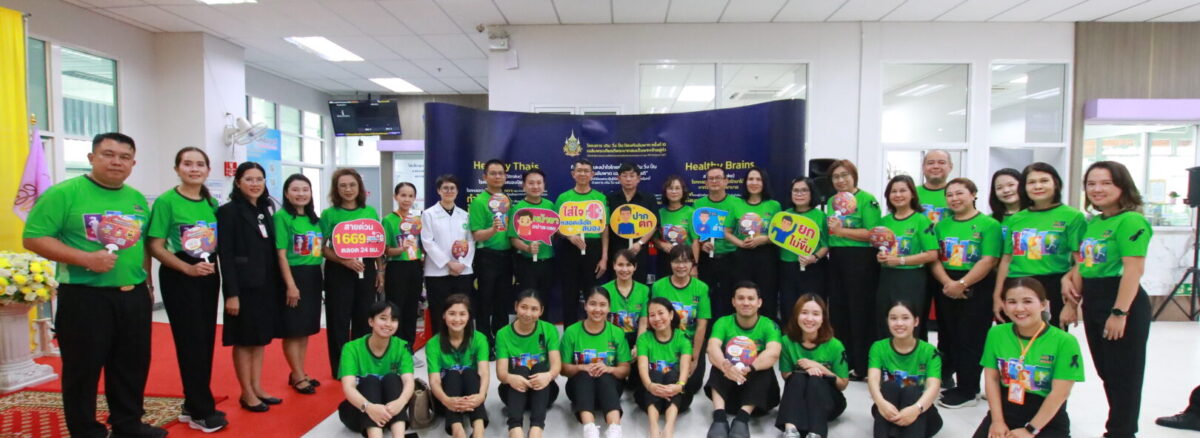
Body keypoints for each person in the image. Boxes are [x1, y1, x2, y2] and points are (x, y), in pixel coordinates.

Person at [24, 133, 166, 438]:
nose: (117, 162)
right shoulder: (64, 193)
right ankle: (86, 431)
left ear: (133, 163)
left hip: (132, 297)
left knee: (131, 365)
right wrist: (85, 259)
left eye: (124, 157)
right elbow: (34, 238)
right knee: (83, 370)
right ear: (91, 158)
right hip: (85, 297)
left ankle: (128, 424)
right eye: (108, 154)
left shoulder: (136, 199)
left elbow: (141, 246)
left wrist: (147, 284)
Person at [1064, 161, 1152, 438]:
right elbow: (1085, 264)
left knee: (1124, 375)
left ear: (1123, 186)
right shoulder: (1095, 222)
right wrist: (1071, 299)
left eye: (1105, 183)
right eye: (1091, 184)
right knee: (1107, 372)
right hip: (1094, 298)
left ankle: (1121, 432)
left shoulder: (1131, 220)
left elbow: (1133, 270)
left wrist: (1119, 313)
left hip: (1121, 299)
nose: (1097, 189)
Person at [146, 147, 227, 432]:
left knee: (205, 341)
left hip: (208, 274)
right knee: (190, 342)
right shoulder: (166, 202)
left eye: (200, 164)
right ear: (177, 168)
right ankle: (201, 410)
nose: (194, 169)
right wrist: (186, 269)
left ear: (208, 169)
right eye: (188, 164)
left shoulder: (210, 203)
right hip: (180, 276)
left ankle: (193, 403)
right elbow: (155, 245)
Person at [972, 278, 1084, 438]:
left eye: (1027, 301)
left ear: (1043, 304)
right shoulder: (996, 333)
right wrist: (997, 421)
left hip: (1046, 417)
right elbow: (992, 379)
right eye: (1012, 302)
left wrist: (1030, 430)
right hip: (1006, 410)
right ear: (1004, 305)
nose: (1019, 308)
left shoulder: (1064, 341)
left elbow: (1060, 393)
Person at [217, 161, 283, 412]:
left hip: (265, 285)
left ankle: (257, 387)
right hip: (243, 288)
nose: (255, 184)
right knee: (244, 340)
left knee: (259, 338)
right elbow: (226, 255)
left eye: (259, 179)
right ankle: (246, 392)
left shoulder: (264, 209)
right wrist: (231, 294)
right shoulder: (229, 211)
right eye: (249, 179)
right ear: (238, 182)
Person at [930, 178, 1002, 409]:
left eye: (959, 193)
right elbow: (934, 258)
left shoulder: (989, 225)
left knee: (971, 339)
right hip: (946, 283)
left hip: (976, 284)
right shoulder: (941, 226)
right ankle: (952, 382)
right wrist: (948, 283)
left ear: (973, 194)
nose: (954, 198)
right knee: (948, 336)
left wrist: (962, 283)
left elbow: (989, 260)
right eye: (950, 195)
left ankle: (969, 390)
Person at [994, 162, 1085, 329]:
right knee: (1014, 338)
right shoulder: (1016, 219)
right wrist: (997, 296)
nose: (1038, 186)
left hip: (1053, 285)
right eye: (1031, 182)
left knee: (1050, 339)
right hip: (1015, 284)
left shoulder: (1073, 216)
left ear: (1056, 183)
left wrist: (1072, 304)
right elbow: (1006, 260)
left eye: (1044, 181)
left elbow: (1081, 261)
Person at [322, 168, 384, 378]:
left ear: (359, 188)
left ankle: (361, 363)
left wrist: (380, 271)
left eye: (352, 185)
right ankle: (341, 367)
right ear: (336, 189)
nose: (348, 189)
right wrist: (344, 261)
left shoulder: (370, 212)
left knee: (364, 317)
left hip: (366, 269)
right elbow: (322, 248)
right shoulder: (329, 214)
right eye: (343, 185)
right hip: (339, 271)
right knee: (338, 319)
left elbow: (377, 244)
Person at [824, 159, 882, 379]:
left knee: (860, 312)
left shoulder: (867, 200)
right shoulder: (832, 201)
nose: (840, 180)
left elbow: (873, 234)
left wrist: (842, 232)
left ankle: (863, 365)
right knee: (838, 311)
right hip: (836, 258)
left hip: (861, 260)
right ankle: (842, 362)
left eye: (844, 175)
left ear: (854, 176)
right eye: (835, 177)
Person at [704, 281, 782, 438]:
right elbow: (712, 348)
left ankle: (742, 420)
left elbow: (774, 352)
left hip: (759, 399)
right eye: (740, 298)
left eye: (750, 298)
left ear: (759, 302)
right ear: (733, 301)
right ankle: (719, 418)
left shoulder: (769, 325)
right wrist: (726, 367)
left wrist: (750, 367)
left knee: (763, 364)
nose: (745, 303)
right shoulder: (723, 322)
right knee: (720, 360)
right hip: (729, 396)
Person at [274, 174, 324, 395]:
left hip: (313, 275)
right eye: (295, 190)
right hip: (294, 275)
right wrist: (290, 285)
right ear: (286, 193)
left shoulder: (314, 219)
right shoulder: (282, 217)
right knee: (293, 329)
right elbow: (281, 255)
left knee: (305, 329)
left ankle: (299, 372)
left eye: (305, 189)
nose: (301, 194)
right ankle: (297, 374)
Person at [337, 300, 416, 438]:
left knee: (392, 378)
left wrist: (401, 402)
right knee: (370, 381)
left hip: (392, 411)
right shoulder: (351, 348)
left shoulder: (402, 347)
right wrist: (369, 408)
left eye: (393, 320)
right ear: (371, 321)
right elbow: (348, 387)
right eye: (383, 318)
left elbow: (408, 381)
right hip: (361, 410)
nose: (388, 324)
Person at [562, 287, 632, 438]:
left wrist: (609, 369)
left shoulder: (617, 332)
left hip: (610, 390)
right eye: (593, 304)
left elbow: (625, 369)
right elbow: (563, 369)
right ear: (585, 305)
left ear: (609, 307)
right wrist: (582, 367)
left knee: (605, 375)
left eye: (602, 305)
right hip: (579, 390)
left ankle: (615, 428)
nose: (597, 309)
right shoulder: (571, 332)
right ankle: (589, 429)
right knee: (584, 374)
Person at [777, 294, 849, 438]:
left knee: (816, 380)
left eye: (816, 314)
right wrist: (806, 370)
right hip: (800, 400)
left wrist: (819, 368)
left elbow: (842, 384)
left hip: (829, 402)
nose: (809, 319)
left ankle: (816, 433)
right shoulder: (786, 341)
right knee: (797, 377)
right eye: (804, 312)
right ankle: (790, 430)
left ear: (823, 318)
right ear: (796, 315)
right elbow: (786, 376)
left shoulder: (835, 345)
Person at [875, 175, 938, 340]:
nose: (898, 195)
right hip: (887, 278)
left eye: (903, 190)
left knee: (910, 322)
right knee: (886, 321)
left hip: (912, 279)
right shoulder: (883, 221)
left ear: (912, 194)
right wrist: (881, 256)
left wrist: (900, 260)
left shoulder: (922, 220)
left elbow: (932, 254)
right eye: (893, 191)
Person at [868, 301, 943, 438]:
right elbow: (873, 379)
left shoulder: (929, 351)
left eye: (905, 318)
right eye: (893, 318)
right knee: (890, 386)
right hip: (889, 407)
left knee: (911, 390)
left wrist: (916, 409)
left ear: (916, 321)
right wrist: (881, 403)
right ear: (887, 321)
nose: (899, 323)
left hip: (921, 409)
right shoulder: (878, 347)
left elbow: (934, 386)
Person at [649, 245, 710, 405]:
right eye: (676, 261)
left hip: (690, 342)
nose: (681, 266)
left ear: (692, 264)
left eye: (686, 261)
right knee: (661, 379)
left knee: (692, 385)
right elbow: (653, 319)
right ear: (670, 263)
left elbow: (702, 325)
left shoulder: (701, 288)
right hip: (665, 341)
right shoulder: (659, 286)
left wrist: (694, 358)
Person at [496, 290, 562, 438]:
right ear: (516, 306)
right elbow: (501, 374)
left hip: (544, 392)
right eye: (524, 307)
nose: (528, 313)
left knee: (539, 367)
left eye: (534, 309)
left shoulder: (549, 329)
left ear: (541, 311)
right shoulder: (503, 334)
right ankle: (515, 428)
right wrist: (510, 378)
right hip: (513, 393)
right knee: (520, 369)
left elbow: (556, 365)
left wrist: (548, 376)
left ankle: (536, 428)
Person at [426, 294, 489, 438]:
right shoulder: (433, 344)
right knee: (452, 374)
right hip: (445, 399)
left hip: (473, 397)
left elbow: (484, 373)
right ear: (444, 315)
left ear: (469, 316)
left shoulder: (479, 339)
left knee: (469, 373)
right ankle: (457, 430)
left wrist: (481, 395)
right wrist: (446, 400)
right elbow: (434, 381)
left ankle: (479, 430)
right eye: (452, 314)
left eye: (462, 314)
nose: (457, 319)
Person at [557, 159, 610, 326]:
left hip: (593, 249)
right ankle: (569, 335)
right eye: (579, 170)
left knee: (592, 295)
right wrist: (569, 236)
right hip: (569, 249)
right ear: (573, 174)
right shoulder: (563, 198)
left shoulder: (600, 198)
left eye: (586, 171)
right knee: (569, 295)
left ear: (592, 174)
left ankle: (593, 331)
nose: (583, 174)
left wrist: (604, 257)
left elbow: (605, 229)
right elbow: (555, 226)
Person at [422, 174, 475, 334]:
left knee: (463, 310)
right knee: (439, 312)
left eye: (452, 188)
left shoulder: (465, 215)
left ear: (457, 191)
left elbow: (471, 241)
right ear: (439, 191)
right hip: (437, 272)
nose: (449, 191)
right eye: (445, 188)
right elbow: (427, 242)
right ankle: (440, 345)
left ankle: (464, 344)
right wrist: (448, 263)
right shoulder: (428, 214)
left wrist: (462, 264)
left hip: (462, 271)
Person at [469, 159, 514, 342]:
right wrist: (493, 230)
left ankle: (501, 341)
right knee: (484, 302)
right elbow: (476, 235)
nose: (497, 177)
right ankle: (484, 342)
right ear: (485, 177)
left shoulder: (506, 200)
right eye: (493, 173)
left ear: (505, 177)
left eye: (501, 173)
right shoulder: (479, 202)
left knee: (502, 303)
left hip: (507, 257)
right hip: (486, 257)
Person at [728, 167, 782, 320]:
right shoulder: (736, 204)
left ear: (764, 183)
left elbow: (780, 234)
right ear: (745, 182)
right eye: (750, 179)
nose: (754, 182)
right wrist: (740, 243)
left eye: (758, 179)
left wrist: (763, 239)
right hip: (742, 256)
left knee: (767, 295)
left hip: (766, 256)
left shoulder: (774, 205)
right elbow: (726, 232)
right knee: (743, 294)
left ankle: (768, 330)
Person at [636, 297, 692, 438]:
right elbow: (642, 367)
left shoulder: (683, 338)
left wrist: (679, 386)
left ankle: (669, 427)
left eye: (661, 313)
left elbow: (685, 367)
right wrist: (650, 386)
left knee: (673, 374)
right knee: (654, 373)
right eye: (652, 315)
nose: (657, 318)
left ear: (671, 314)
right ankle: (653, 427)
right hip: (649, 393)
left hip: (676, 394)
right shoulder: (644, 339)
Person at [695, 165, 746, 319]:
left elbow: (744, 230)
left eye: (718, 178)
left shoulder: (737, 203)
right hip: (707, 259)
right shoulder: (698, 205)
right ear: (706, 183)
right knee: (706, 297)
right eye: (711, 178)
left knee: (730, 297)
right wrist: (703, 244)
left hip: (732, 258)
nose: (714, 181)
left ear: (726, 181)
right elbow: (695, 234)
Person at [778, 178, 830, 323]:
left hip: (813, 269)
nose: (799, 194)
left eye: (804, 190)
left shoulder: (820, 216)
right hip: (787, 268)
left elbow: (827, 245)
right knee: (788, 308)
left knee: (812, 308)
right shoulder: (784, 215)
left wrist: (814, 257)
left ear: (811, 193)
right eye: (795, 190)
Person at [383, 182, 424, 344]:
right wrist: (401, 249)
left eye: (410, 196)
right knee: (395, 307)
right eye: (403, 195)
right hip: (396, 267)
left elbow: (423, 245)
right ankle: (395, 345)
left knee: (412, 307)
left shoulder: (417, 220)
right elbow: (385, 250)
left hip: (415, 266)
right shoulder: (388, 220)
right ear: (396, 197)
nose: (407, 199)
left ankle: (409, 345)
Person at [607, 162, 657, 283]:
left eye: (632, 175)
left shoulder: (648, 198)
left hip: (639, 251)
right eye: (624, 175)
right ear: (618, 178)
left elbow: (654, 224)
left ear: (638, 178)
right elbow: (606, 225)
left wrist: (640, 243)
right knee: (616, 284)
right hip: (616, 249)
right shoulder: (610, 199)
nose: (628, 179)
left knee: (639, 284)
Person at [510, 168, 557, 294]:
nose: (535, 186)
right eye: (531, 183)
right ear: (523, 186)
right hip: (527, 263)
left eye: (539, 183)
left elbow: (556, 230)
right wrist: (527, 248)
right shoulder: (518, 208)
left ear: (544, 185)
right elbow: (513, 239)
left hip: (548, 262)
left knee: (545, 299)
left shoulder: (550, 206)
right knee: (528, 297)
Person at [602, 249, 649, 352]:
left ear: (635, 267)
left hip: (636, 340)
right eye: (620, 265)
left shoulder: (644, 290)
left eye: (628, 265)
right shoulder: (605, 290)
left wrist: (638, 347)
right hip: (611, 341)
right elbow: (602, 322)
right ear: (614, 266)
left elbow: (643, 322)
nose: (624, 269)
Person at [654, 175, 700, 279]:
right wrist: (662, 244)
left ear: (683, 191)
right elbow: (654, 238)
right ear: (665, 192)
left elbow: (695, 242)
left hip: (686, 261)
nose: (674, 191)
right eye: (670, 188)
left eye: (677, 188)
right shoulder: (659, 213)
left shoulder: (691, 213)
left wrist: (694, 265)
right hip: (665, 261)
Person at [916, 150, 953, 225]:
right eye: (930, 163)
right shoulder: (911, 193)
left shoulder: (958, 195)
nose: (936, 166)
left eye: (941, 163)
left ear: (950, 167)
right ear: (923, 167)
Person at [988, 168, 1026, 233]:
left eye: (1011, 185)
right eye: (999, 188)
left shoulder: (1034, 215)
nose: (1006, 190)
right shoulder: (989, 221)